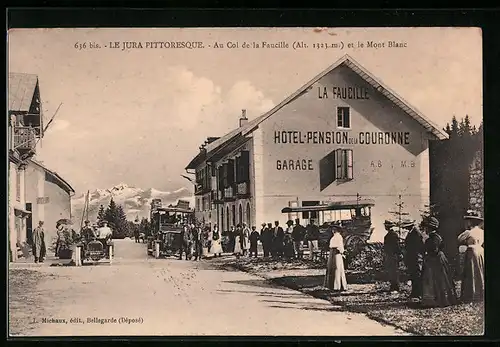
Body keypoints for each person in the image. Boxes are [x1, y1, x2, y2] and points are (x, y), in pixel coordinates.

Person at [421, 216, 457, 308]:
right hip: (439, 258)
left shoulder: (432, 238)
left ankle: (437, 300)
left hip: (435, 260)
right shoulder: (436, 237)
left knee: (437, 279)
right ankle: (442, 298)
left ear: (429, 228)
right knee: (441, 278)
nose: (425, 229)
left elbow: (434, 250)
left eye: (426, 227)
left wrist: (427, 254)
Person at [457, 210, 484, 303]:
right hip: (480, 251)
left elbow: (459, 239)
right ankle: (479, 293)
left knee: (471, 273)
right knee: (479, 272)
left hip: (472, 252)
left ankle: (470, 294)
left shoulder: (468, 232)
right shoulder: (481, 231)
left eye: (468, 221)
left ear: (470, 222)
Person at [404, 220, 425, 300]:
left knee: (417, 275)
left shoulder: (416, 233)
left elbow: (420, 246)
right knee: (413, 275)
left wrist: (418, 255)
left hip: (416, 257)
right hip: (412, 257)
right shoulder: (411, 232)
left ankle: (418, 293)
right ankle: (414, 292)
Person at [324, 224, 347, 291]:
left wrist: (341, 252)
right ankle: (331, 285)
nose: (333, 230)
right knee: (331, 268)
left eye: (334, 229)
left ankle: (337, 286)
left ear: (337, 230)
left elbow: (340, 246)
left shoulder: (339, 237)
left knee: (337, 268)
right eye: (333, 229)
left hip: (336, 253)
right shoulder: (333, 237)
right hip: (332, 253)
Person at [383, 220, 401, 293]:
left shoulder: (393, 235)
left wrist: (397, 254)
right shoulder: (391, 234)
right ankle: (393, 286)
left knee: (394, 271)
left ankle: (395, 287)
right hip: (390, 255)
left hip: (393, 256)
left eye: (385, 225)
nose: (385, 227)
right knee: (391, 271)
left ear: (387, 226)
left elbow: (397, 246)